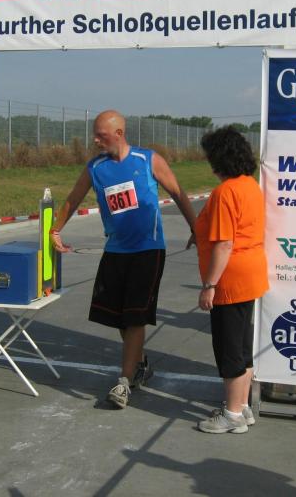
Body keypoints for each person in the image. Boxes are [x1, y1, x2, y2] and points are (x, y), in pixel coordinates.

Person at [49, 110, 196, 409]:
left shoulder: (147, 160)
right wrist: (55, 230)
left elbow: (179, 193)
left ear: (118, 133)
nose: (95, 140)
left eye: (100, 135)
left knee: (134, 317)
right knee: (119, 317)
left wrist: (197, 229)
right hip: (116, 250)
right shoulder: (95, 167)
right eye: (94, 134)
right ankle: (140, 364)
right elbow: (73, 199)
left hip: (148, 250)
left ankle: (124, 382)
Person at [188, 127, 268, 434]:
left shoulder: (225, 192)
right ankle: (241, 405)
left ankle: (232, 414)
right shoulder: (250, 185)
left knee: (228, 346)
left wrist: (209, 285)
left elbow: (224, 243)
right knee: (242, 344)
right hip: (250, 274)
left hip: (230, 279)